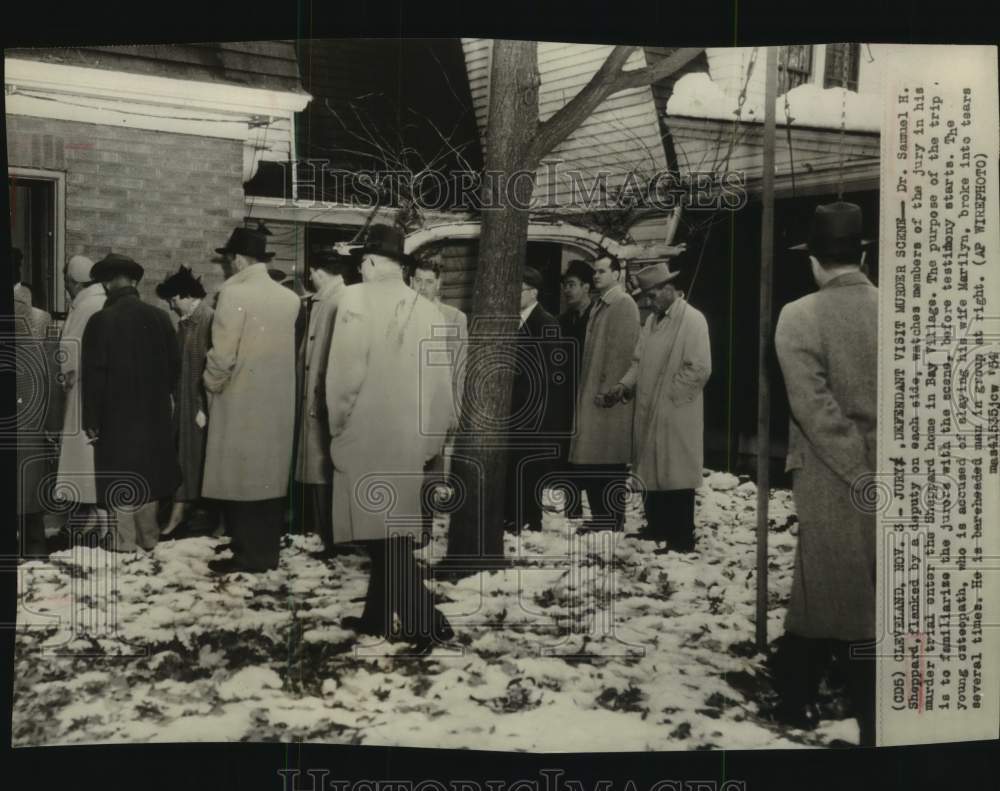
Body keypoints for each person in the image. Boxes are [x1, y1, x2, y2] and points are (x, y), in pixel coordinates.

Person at [771, 201, 877, 745]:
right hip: (889, 474)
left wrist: (859, 473)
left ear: (814, 261)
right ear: (862, 253)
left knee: (843, 592)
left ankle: (867, 712)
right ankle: (795, 691)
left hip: (836, 475)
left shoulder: (799, 315)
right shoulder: (901, 309)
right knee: (835, 585)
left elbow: (813, 407)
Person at [326, 224, 454, 650]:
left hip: (367, 429)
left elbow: (345, 373)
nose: (360, 267)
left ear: (375, 263)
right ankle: (378, 618)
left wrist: (338, 425)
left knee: (382, 531)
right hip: (410, 436)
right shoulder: (428, 308)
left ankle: (425, 620)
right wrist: (432, 438)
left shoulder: (355, 299)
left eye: (362, 260)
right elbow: (441, 384)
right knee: (391, 525)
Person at [202, 225, 301, 574]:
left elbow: (223, 354)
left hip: (240, 401)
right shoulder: (289, 300)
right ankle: (265, 552)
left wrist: (210, 385)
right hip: (277, 404)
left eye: (229, 261)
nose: (229, 268)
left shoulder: (233, 295)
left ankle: (246, 554)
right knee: (267, 479)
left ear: (240, 260)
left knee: (239, 478)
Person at [603, 260, 711, 553]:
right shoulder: (652, 321)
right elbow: (638, 361)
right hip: (648, 407)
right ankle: (656, 526)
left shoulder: (692, 320)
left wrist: (671, 397)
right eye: (646, 298)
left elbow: (699, 368)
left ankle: (681, 536)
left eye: (652, 296)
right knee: (650, 468)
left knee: (676, 472)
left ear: (668, 289)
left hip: (676, 411)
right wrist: (625, 385)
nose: (648, 303)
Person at [81, 254, 181, 553]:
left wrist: (91, 419)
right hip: (153, 414)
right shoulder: (160, 318)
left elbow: (94, 375)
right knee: (148, 472)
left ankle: (123, 542)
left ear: (107, 283)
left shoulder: (100, 320)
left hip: (115, 416)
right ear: (135, 282)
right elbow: (174, 369)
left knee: (118, 473)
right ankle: (148, 537)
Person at [570, 255, 640, 532]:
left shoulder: (623, 305)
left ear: (617, 274)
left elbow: (623, 354)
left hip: (608, 399)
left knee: (608, 460)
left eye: (602, 271)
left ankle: (610, 518)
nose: (596, 276)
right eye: (594, 272)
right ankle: (602, 516)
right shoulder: (602, 304)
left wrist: (608, 391)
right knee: (592, 459)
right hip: (593, 394)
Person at [294, 253, 350, 557]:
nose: (310, 279)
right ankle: (325, 534)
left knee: (325, 469)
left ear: (320, 272)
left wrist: (319, 396)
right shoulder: (323, 299)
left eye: (313, 273)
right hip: (315, 397)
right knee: (317, 469)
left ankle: (334, 539)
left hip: (325, 400)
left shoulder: (339, 300)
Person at [504, 266, 566, 533]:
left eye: (519, 290)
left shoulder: (546, 323)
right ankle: (514, 515)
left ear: (533, 292)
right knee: (513, 464)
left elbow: (546, 372)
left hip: (533, 410)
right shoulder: (514, 320)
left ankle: (530, 519)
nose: (514, 295)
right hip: (514, 409)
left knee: (529, 467)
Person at [53, 255, 109, 540]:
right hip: (99, 388)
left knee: (83, 455)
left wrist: (64, 376)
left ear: (73, 281)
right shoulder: (100, 299)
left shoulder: (85, 305)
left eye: (66, 281)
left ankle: (93, 520)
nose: (65, 287)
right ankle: (90, 517)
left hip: (83, 389)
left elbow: (70, 349)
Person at [409, 257, 467, 530]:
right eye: (418, 281)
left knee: (432, 464)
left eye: (429, 282)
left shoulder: (453, 317)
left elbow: (459, 365)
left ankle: (424, 527)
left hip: (436, 403)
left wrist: (455, 407)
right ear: (410, 281)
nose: (422, 287)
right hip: (406, 402)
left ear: (439, 284)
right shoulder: (401, 312)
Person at [156, 265, 214, 539]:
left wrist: (204, 407)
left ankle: (181, 516)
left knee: (194, 459)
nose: (170, 305)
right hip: (183, 403)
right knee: (185, 458)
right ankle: (186, 513)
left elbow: (211, 366)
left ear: (186, 296)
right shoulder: (186, 323)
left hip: (199, 405)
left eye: (173, 299)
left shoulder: (209, 320)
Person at [12, 257, 56, 557]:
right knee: (29, 484)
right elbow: (51, 372)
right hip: (32, 414)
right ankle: (35, 548)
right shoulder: (41, 317)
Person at [556, 259, 595, 518]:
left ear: (586, 287)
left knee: (591, 451)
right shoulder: (562, 321)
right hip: (567, 396)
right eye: (564, 285)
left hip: (591, 396)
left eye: (572, 285)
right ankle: (573, 509)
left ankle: (599, 509)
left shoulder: (597, 319)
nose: (567, 291)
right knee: (566, 449)